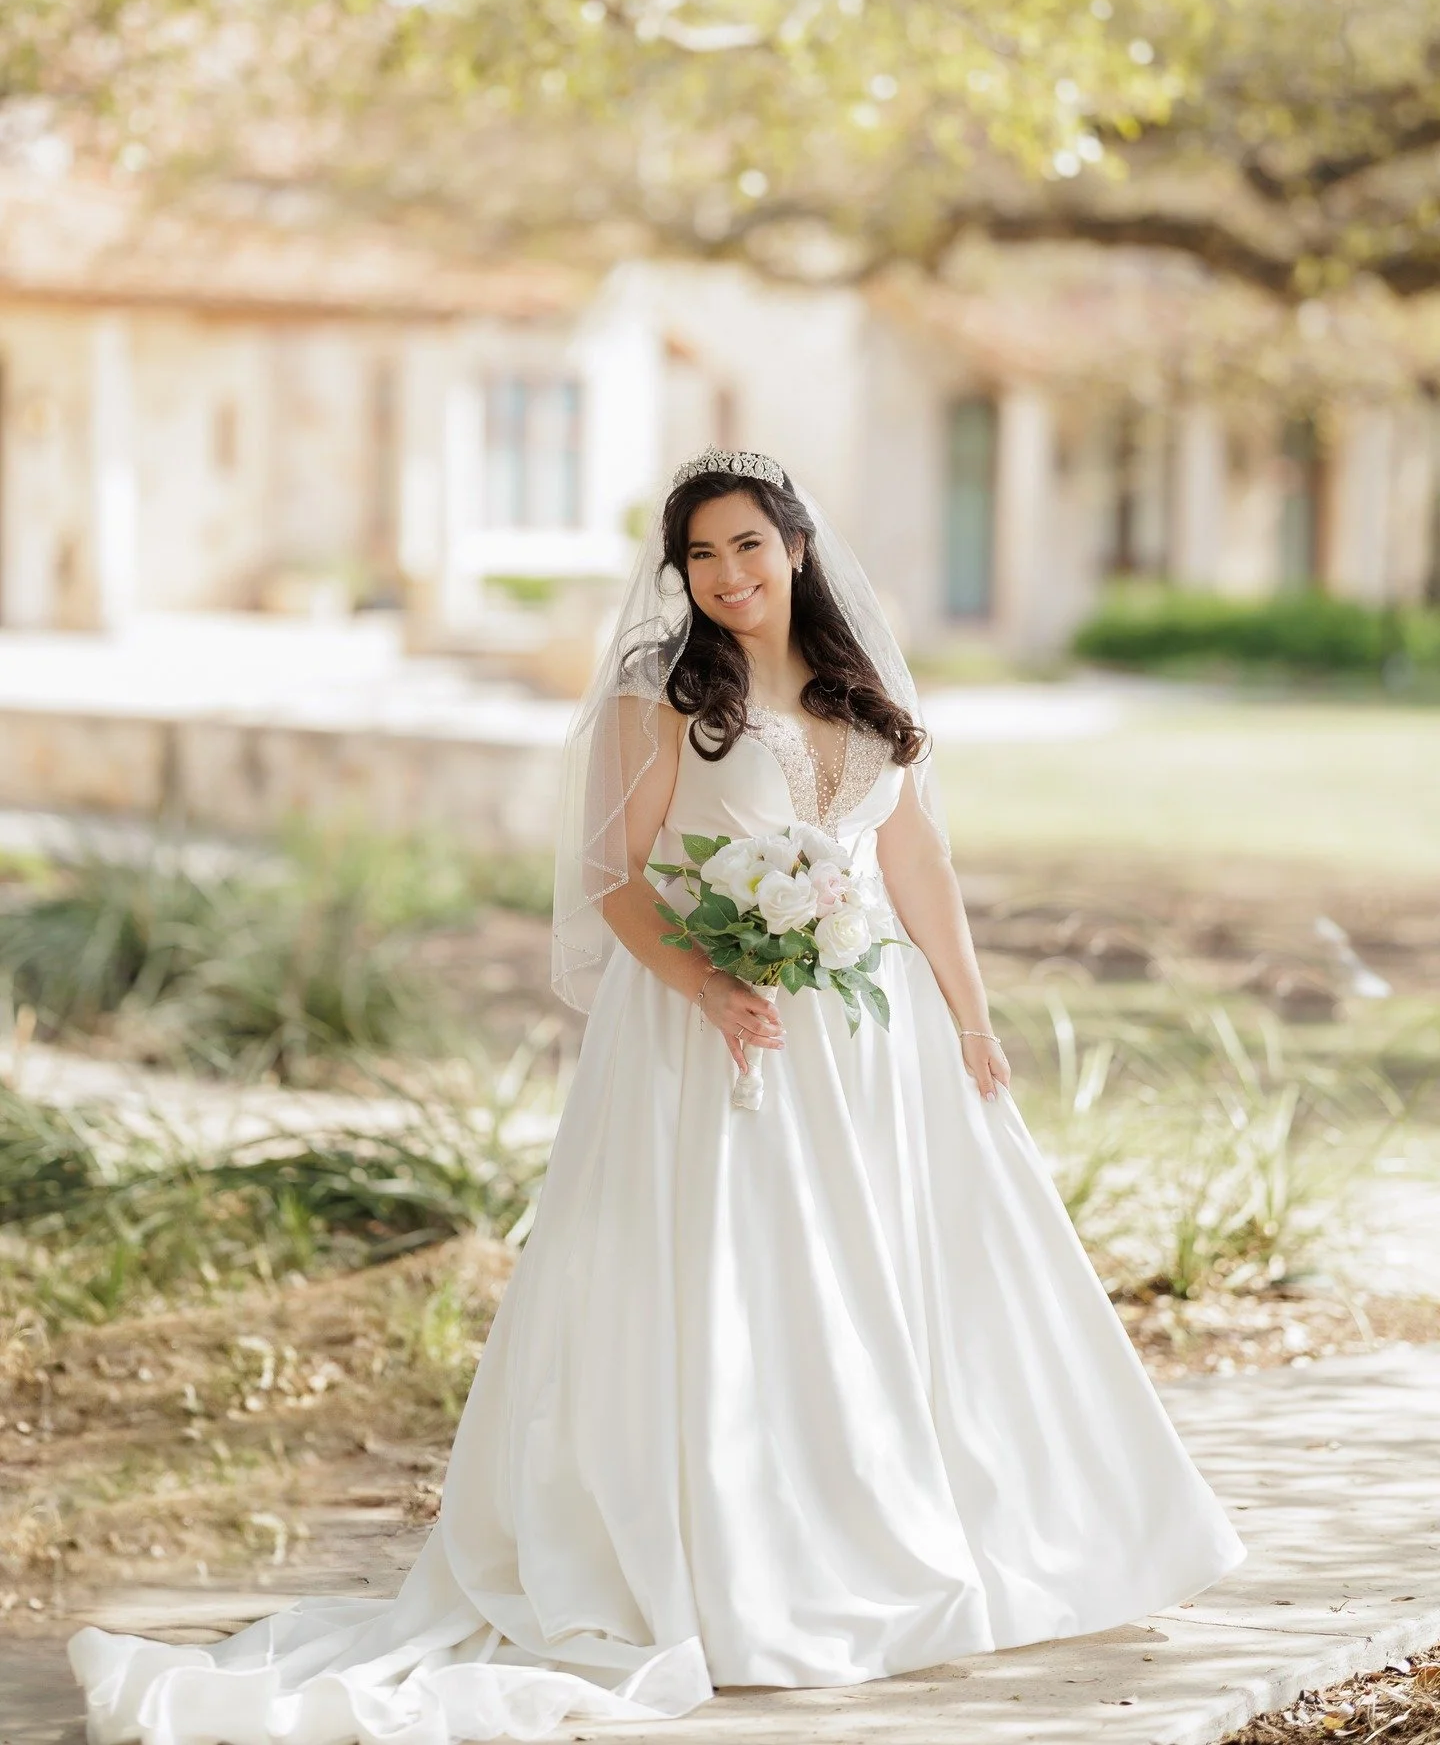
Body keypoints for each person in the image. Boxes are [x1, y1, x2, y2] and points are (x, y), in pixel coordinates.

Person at [70, 448, 1244, 1745]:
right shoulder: (663, 698)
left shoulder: (865, 692)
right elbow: (615, 882)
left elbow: (921, 863)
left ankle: (897, 1521)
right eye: (700, 556)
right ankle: (731, 1552)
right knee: (732, 1280)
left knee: (883, 1277)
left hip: (871, 1038)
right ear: (679, 573)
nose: (727, 576)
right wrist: (709, 984)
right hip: (714, 1034)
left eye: (748, 547)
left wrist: (970, 1019)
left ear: (797, 547)